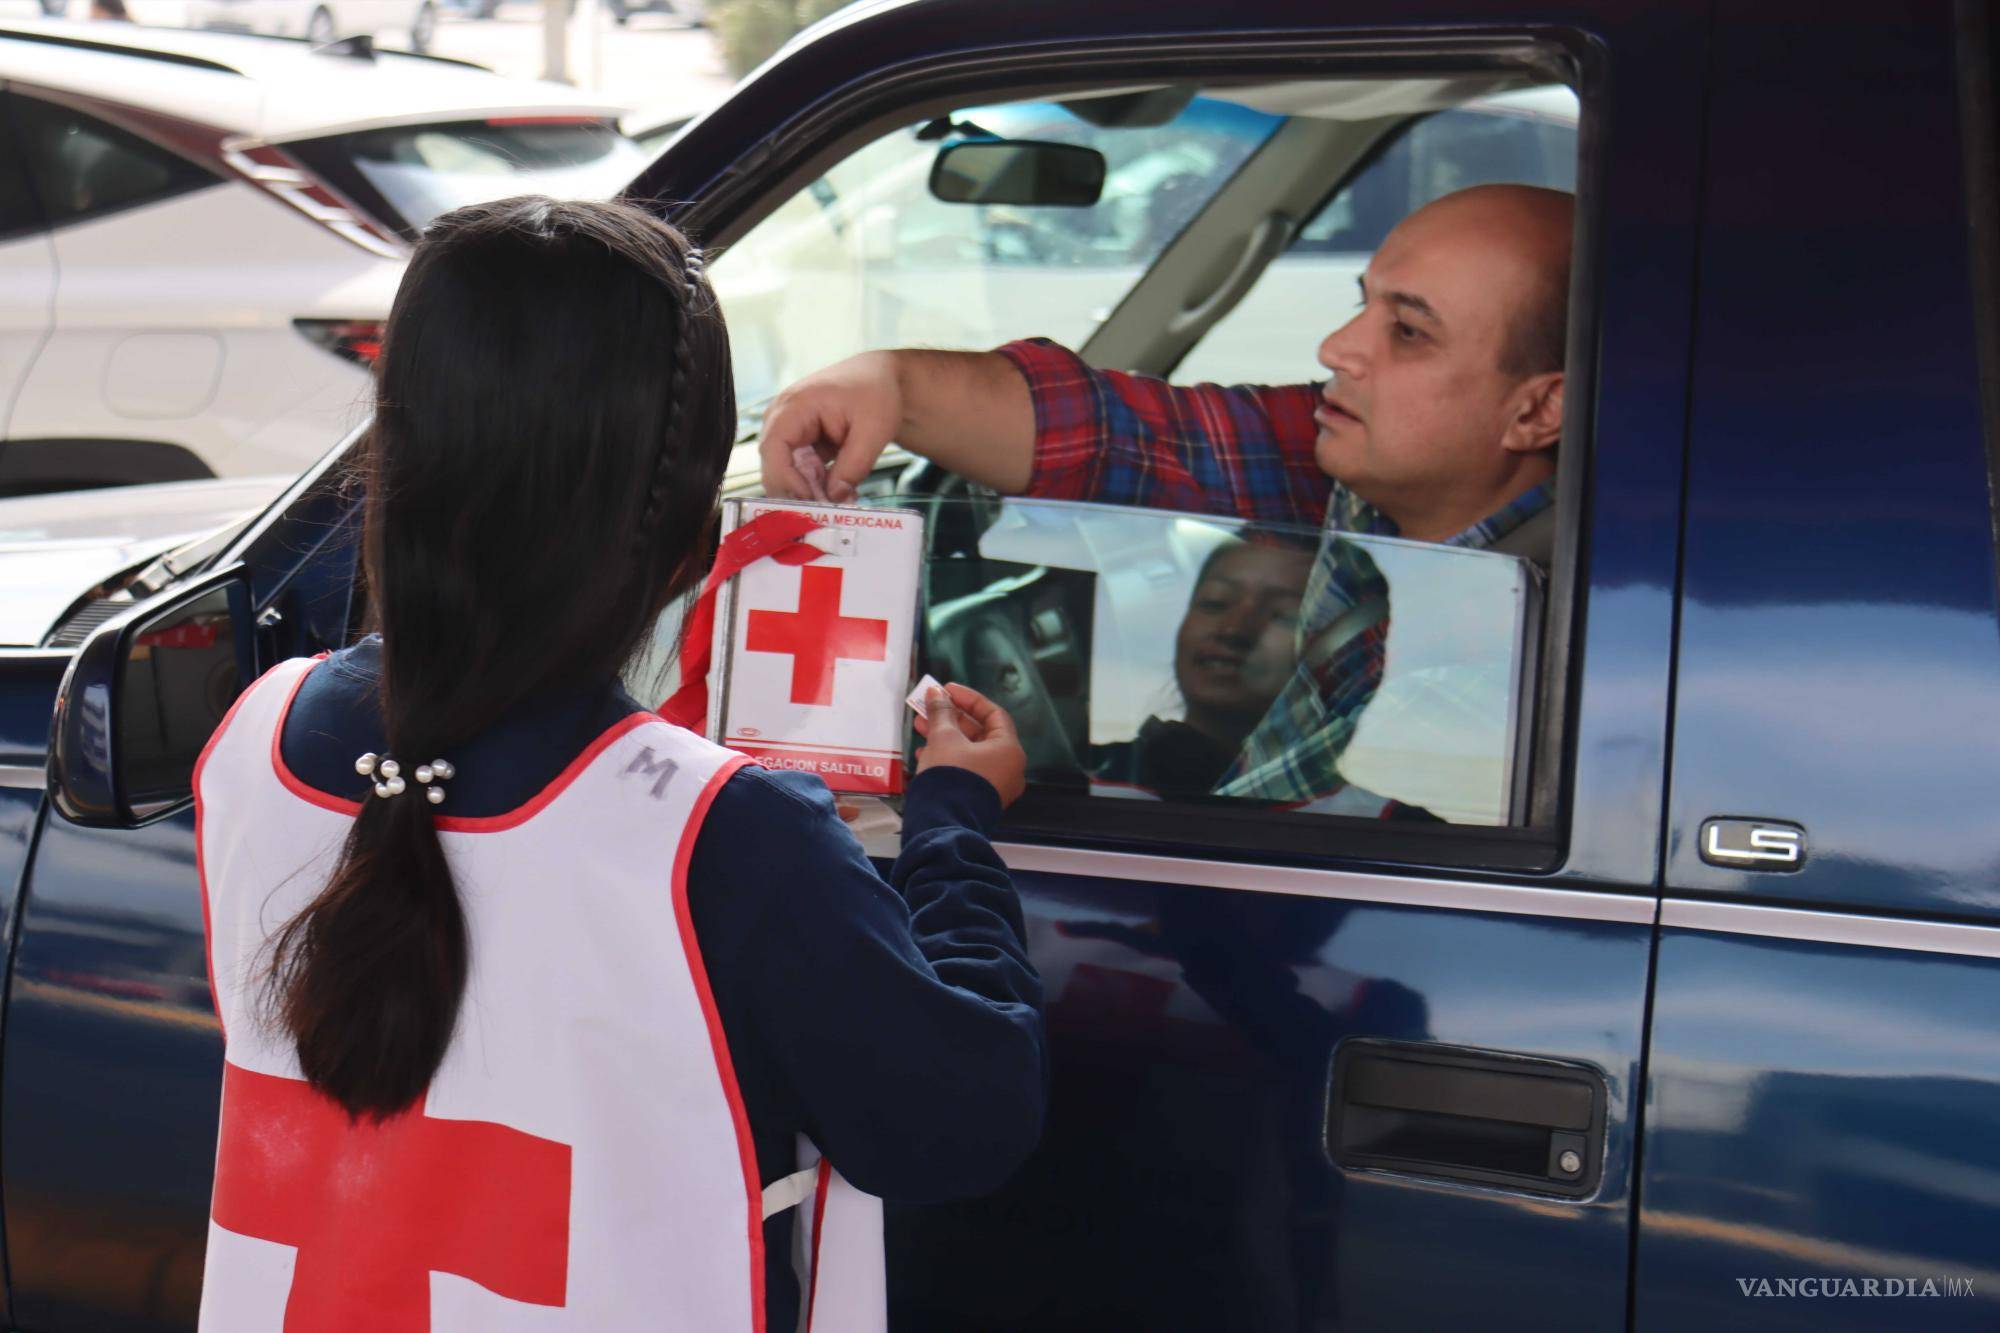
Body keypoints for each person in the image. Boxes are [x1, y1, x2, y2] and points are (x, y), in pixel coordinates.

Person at [192, 197, 1045, 1332]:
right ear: (692, 527)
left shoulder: (255, 735)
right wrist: (949, 820)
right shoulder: (728, 840)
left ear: (393, 459)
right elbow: (959, 1121)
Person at [760, 184, 1570, 806]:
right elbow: (1121, 434)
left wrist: (965, 806)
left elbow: (1279, 902)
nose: (1337, 347)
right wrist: (888, 385)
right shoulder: (1368, 464)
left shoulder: (1500, 682)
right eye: (1363, 304)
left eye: (1409, 332)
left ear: (1537, 410)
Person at [1091, 533, 1313, 798]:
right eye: (1214, 603)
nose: (1233, 630)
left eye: (1285, 615)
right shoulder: (1083, 781)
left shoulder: (1355, 816)